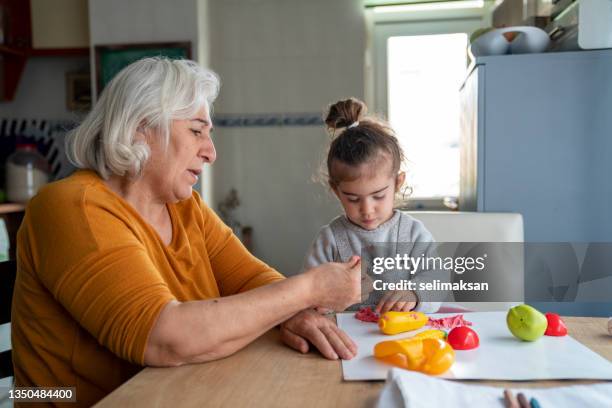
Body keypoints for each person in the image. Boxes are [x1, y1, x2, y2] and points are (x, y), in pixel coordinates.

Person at [11, 58, 362, 407]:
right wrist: (309, 289)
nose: (210, 152)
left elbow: (251, 279)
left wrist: (294, 313)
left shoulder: (184, 206)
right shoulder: (71, 206)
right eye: (196, 131)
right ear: (139, 127)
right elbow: (164, 339)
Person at [303, 98, 447, 314]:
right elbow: (306, 292)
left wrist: (415, 293)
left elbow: (439, 279)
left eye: (378, 196)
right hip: (347, 339)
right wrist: (319, 303)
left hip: (402, 336)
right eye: (353, 199)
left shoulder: (412, 233)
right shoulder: (330, 239)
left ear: (398, 183)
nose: (367, 209)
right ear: (336, 191)